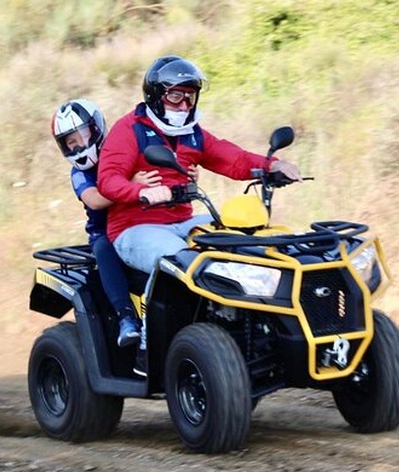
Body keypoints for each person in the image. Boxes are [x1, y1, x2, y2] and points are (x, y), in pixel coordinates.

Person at [97, 55, 302, 276]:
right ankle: (156, 311)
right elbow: (108, 180)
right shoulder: (130, 129)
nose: (184, 105)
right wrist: (142, 191)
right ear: (156, 96)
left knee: (250, 240)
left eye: (190, 97)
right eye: (175, 96)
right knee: (183, 263)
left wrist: (271, 166)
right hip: (136, 229)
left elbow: (232, 158)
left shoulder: (192, 133)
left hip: (184, 222)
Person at [51, 99, 160, 348]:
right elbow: (94, 200)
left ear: (97, 128)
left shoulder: (121, 150)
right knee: (103, 249)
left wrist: (187, 172)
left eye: (82, 136)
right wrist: (129, 185)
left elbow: (155, 171)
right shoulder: (79, 173)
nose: (79, 145)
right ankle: (126, 319)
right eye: (71, 142)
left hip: (142, 224)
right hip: (105, 234)